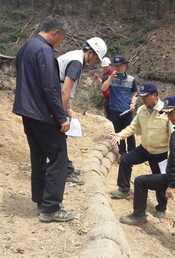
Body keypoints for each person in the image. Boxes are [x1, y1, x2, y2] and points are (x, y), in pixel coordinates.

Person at [119, 96, 175, 258]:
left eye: (171, 114)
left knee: (140, 181)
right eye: (166, 114)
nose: (169, 117)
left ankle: (139, 216)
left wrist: (172, 185)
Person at [13, 15, 74, 222]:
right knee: (59, 158)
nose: (60, 43)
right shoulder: (44, 50)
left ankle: (41, 199)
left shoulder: (27, 47)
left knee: (38, 156)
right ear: (55, 33)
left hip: (27, 112)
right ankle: (50, 208)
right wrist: (61, 117)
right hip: (43, 113)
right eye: (62, 39)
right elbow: (50, 87)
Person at [109, 82, 174, 219]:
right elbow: (133, 127)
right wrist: (120, 135)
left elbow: (173, 133)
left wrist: (172, 152)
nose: (143, 99)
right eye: (142, 96)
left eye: (146, 96)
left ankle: (161, 207)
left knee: (160, 181)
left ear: (154, 95)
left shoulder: (165, 111)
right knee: (125, 160)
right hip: (144, 149)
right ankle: (124, 189)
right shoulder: (142, 110)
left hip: (160, 153)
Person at [57, 37, 108, 185]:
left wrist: (67, 109)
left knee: (60, 139)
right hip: (54, 105)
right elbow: (65, 90)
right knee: (59, 139)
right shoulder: (76, 62)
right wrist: (62, 115)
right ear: (91, 53)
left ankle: (66, 168)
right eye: (96, 60)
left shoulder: (73, 56)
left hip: (55, 104)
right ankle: (65, 171)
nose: (95, 64)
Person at [102, 55, 138, 158]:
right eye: (116, 66)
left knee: (129, 132)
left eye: (120, 66)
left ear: (124, 66)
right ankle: (122, 153)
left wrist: (133, 103)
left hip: (127, 110)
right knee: (118, 133)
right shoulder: (111, 78)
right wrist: (110, 79)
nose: (118, 68)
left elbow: (135, 93)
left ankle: (132, 153)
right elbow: (104, 88)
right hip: (114, 110)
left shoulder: (131, 79)